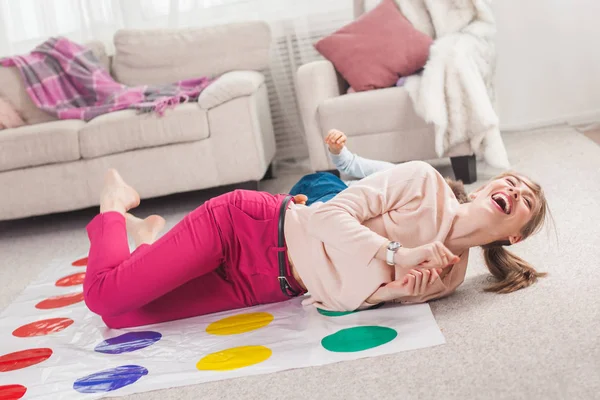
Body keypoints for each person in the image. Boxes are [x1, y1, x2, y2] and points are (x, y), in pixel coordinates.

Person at [83, 139, 549, 328]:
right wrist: (396, 253)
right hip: (248, 228)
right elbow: (328, 218)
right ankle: (114, 202)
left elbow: (334, 300)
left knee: (125, 318)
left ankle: (144, 238)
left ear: (515, 236)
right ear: (489, 185)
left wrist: (393, 293)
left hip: (268, 285)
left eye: (525, 198)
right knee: (104, 298)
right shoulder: (423, 181)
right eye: (511, 179)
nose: (513, 188)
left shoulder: (449, 277)